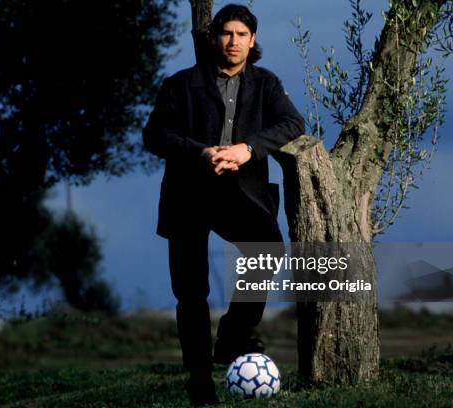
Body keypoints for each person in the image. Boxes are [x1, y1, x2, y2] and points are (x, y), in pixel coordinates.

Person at [143, 4, 304, 406]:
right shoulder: (180, 85)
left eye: (242, 35)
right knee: (190, 292)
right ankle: (199, 380)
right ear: (214, 38)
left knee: (267, 250)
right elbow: (155, 135)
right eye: (226, 34)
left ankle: (232, 336)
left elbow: (292, 125)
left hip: (242, 193)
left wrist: (247, 150)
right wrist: (201, 152)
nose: (233, 42)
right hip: (188, 196)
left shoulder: (266, 84)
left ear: (253, 41)